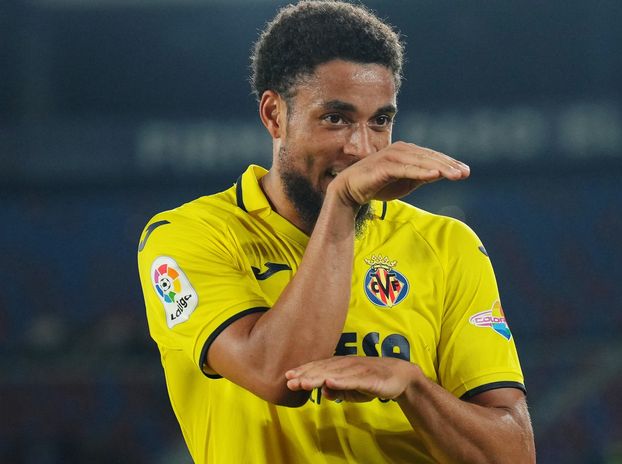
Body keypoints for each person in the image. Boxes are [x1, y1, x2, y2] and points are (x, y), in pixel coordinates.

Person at [137, 1, 535, 462]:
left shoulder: (447, 245)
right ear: (274, 115)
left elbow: (512, 455)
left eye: (380, 121)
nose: (361, 148)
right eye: (336, 118)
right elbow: (276, 375)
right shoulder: (188, 236)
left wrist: (413, 386)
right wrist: (343, 203)